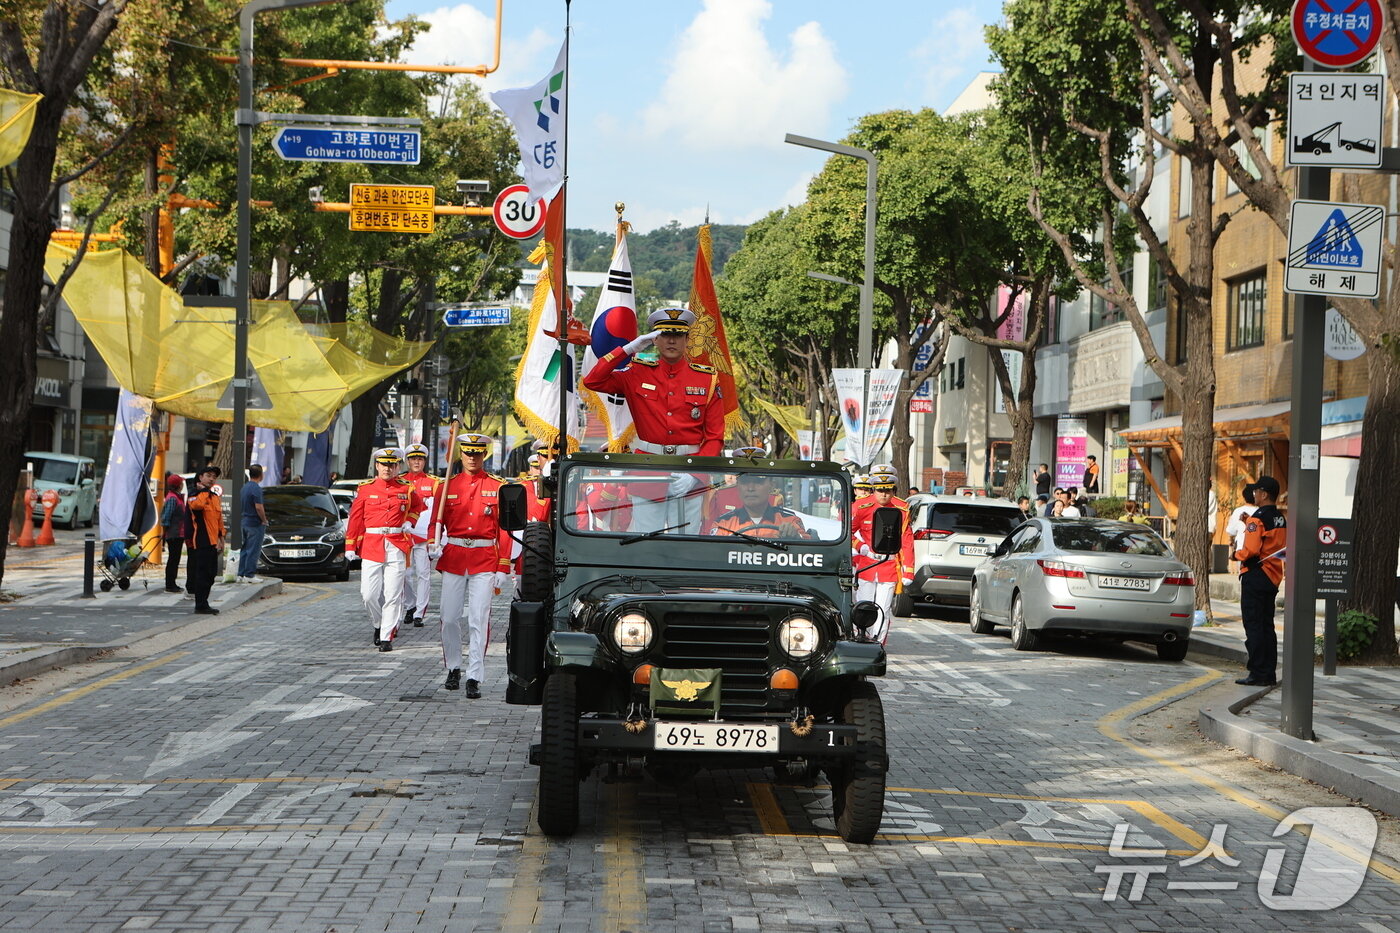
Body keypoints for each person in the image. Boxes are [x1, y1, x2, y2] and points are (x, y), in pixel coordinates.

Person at [582, 306, 726, 457]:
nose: (671, 340)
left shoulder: (707, 379)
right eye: (664, 334)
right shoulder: (636, 373)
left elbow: (715, 437)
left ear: (687, 340)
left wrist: (696, 474)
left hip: (691, 464)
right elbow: (593, 381)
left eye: (678, 335)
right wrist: (627, 349)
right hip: (647, 463)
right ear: (655, 339)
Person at [430, 433, 512, 696]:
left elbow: (505, 529)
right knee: (450, 618)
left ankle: (474, 676)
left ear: (484, 455)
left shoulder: (497, 486)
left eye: (477, 453)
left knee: (478, 618)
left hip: (484, 557)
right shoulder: (446, 486)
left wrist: (503, 565)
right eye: (467, 453)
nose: (472, 458)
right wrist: (434, 542)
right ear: (461, 454)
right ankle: (453, 667)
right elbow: (436, 520)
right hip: (454, 556)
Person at [346, 447, 427, 652]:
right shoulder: (365, 488)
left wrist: (410, 521)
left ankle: (386, 636)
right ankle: (378, 623)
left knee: (393, 592)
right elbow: (355, 518)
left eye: (392, 465)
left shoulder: (406, 488)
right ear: (377, 466)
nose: (388, 469)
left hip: (397, 542)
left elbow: (418, 508)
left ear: (398, 466)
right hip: (372, 543)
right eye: (384, 464)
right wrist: (350, 544)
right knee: (369, 594)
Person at [850, 469, 914, 645]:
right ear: (873, 490)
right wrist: (861, 547)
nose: (884, 494)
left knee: (883, 609)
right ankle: (861, 638)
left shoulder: (901, 509)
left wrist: (908, 570)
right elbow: (847, 532)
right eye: (880, 490)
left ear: (893, 490)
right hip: (866, 565)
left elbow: (907, 540)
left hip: (889, 566)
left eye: (888, 490)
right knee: (863, 606)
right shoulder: (861, 507)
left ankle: (878, 643)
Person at [1235, 475, 1285, 686]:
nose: (1254, 494)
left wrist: (1236, 555)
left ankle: (1256, 673)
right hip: (1273, 576)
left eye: (1256, 491)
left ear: (1264, 494)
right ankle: (1269, 673)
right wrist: (1249, 522)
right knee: (1267, 626)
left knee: (1253, 625)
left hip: (1255, 575)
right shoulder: (1280, 518)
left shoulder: (1257, 519)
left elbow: (1251, 550)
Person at [399, 443, 440, 628]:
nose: (417, 462)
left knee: (423, 574)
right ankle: (410, 604)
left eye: (420, 458)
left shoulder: (434, 482)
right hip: (405, 534)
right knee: (404, 574)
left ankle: (419, 612)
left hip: (423, 536)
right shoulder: (400, 481)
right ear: (407, 461)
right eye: (413, 458)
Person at [711, 474, 810, 539]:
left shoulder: (790, 521)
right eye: (745, 482)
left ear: (771, 485)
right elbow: (713, 555)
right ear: (738, 486)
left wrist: (795, 536)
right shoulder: (723, 525)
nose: (750, 488)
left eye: (758, 482)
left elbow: (809, 552)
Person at [186, 466, 225, 615]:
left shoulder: (215, 497)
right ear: (200, 477)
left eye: (214, 477)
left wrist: (222, 538)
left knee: (211, 574)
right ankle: (200, 604)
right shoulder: (194, 494)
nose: (211, 479)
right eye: (208, 476)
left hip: (213, 541)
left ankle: (204, 602)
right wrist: (202, 491)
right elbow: (197, 506)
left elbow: (219, 519)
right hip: (201, 541)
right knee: (202, 574)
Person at [237, 464, 267, 584]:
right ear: (261, 475)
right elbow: (259, 507)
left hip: (244, 521)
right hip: (255, 522)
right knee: (253, 549)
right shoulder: (256, 488)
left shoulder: (244, 487)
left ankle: (241, 574)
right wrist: (264, 519)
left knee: (245, 548)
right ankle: (249, 574)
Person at [159, 473, 189, 594]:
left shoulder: (176, 497)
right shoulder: (173, 498)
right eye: (181, 483)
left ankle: (172, 583)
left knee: (175, 559)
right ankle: (170, 584)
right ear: (178, 485)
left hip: (178, 533)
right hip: (174, 534)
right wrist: (165, 533)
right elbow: (166, 517)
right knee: (173, 559)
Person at [1225, 483, 1257, 553]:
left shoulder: (1238, 511)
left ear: (1244, 496)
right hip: (1257, 550)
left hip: (1241, 549)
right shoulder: (1260, 511)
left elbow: (1231, 531)